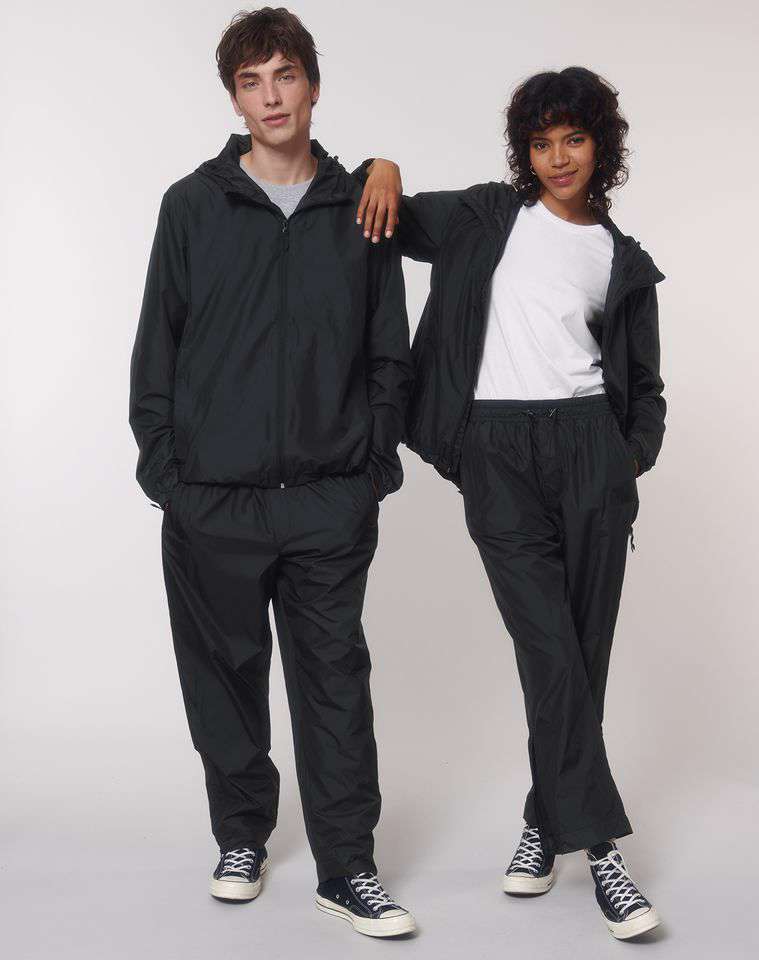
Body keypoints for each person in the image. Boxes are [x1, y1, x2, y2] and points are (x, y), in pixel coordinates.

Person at [355, 66, 665, 940]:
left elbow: (646, 386)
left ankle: (542, 820)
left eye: (574, 139)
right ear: (524, 152)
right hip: (496, 450)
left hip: (589, 452)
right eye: (541, 142)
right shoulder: (487, 215)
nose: (558, 157)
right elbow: (388, 216)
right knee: (548, 646)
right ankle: (602, 852)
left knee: (579, 655)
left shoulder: (621, 259)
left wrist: (627, 460)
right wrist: (382, 163)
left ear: (601, 146)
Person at [128, 7, 416, 938]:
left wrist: (371, 468)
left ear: (313, 85)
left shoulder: (360, 207)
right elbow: (157, 348)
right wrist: (169, 477)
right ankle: (242, 836)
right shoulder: (191, 204)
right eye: (251, 82)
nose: (271, 97)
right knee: (224, 678)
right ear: (235, 98)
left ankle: (349, 867)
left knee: (336, 683)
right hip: (214, 498)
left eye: (285, 75)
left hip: (329, 498)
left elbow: (389, 351)